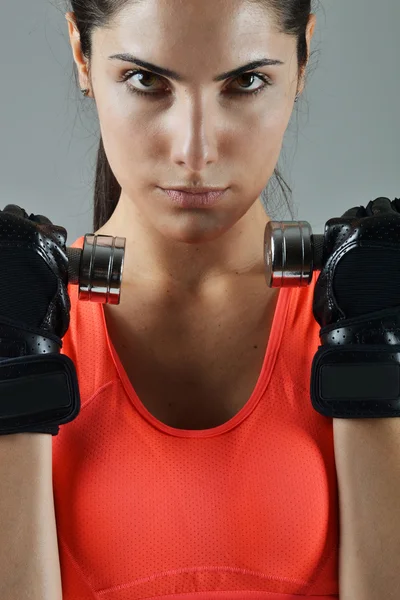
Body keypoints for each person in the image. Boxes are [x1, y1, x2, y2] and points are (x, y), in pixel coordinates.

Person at [50, 1, 339, 598]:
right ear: (82, 51)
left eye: (246, 81)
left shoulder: (365, 316)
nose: (196, 151)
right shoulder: (28, 325)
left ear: (303, 52)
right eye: (147, 81)